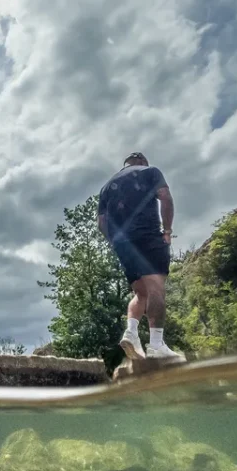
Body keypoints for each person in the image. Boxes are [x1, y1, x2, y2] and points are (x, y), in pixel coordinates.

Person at [97, 152, 183, 361]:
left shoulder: (107, 186)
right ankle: (156, 345)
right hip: (147, 235)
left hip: (121, 243)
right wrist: (168, 230)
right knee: (156, 289)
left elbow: (101, 223)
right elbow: (165, 197)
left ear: (125, 165)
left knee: (140, 293)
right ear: (143, 162)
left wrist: (116, 243)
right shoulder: (150, 172)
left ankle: (131, 333)